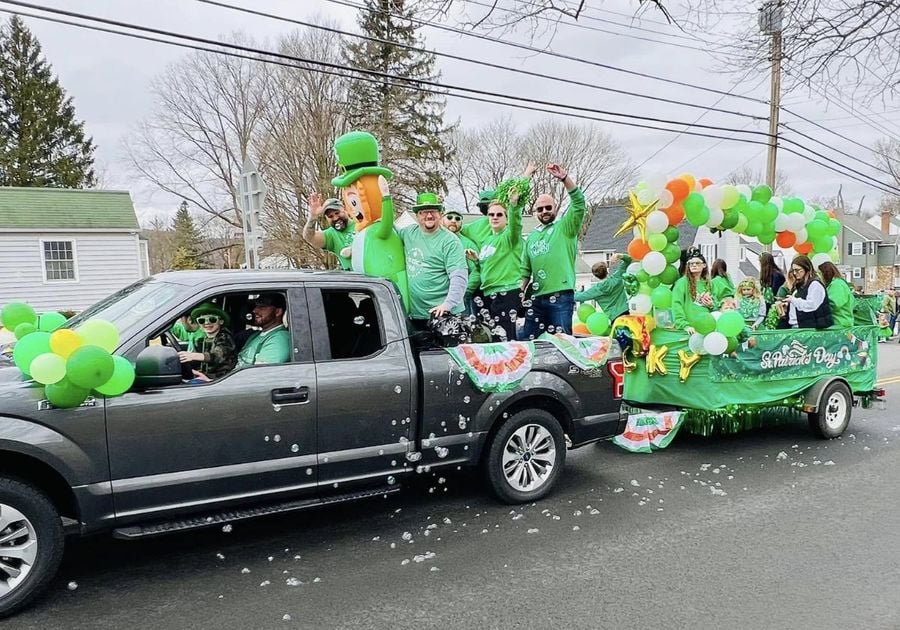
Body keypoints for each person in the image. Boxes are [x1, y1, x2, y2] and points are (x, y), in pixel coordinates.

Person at [520, 163, 586, 338]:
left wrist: (564, 178)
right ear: (536, 212)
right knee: (527, 341)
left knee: (563, 342)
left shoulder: (566, 227)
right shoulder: (531, 237)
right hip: (536, 299)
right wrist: (520, 292)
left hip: (561, 297)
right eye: (540, 209)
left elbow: (579, 203)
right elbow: (525, 271)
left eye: (548, 207)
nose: (544, 211)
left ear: (555, 208)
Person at [398, 192, 468, 330]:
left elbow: (459, 277)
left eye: (433, 211)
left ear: (440, 214)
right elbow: (386, 233)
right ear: (417, 215)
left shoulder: (450, 241)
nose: (429, 216)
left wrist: (447, 304)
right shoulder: (408, 233)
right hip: (417, 315)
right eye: (424, 212)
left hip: (445, 315)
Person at [478, 186, 527, 341]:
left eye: (500, 214)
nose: (495, 217)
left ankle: (510, 365)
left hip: (506, 293)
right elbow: (490, 266)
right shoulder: (487, 240)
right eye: (491, 214)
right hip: (488, 294)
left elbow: (516, 224)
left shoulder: (509, 237)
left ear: (506, 218)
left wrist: (513, 205)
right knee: (492, 337)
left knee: (505, 338)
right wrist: (475, 259)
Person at [178, 303, 236, 382]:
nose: (207, 323)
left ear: (221, 321)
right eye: (202, 320)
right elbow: (195, 361)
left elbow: (218, 356)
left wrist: (193, 355)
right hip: (206, 376)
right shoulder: (201, 341)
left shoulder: (225, 337)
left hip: (222, 379)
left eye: (212, 319)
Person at [236, 293, 292, 367]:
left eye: (262, 307)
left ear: (277, 312)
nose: (254, 310)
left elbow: (260, 375)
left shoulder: (279, 340)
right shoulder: (255, 335)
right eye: (256, 306)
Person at [779, 255, 833, 329]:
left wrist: (793, 300)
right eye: (793, 270)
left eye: (797, 270)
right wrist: (788, 306)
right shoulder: (801, 286)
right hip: (799, 326)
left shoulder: (815, 285)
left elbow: (812, 305)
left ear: (807, 269)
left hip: (811, 328)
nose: (794, 273)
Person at [574, 253, 632, 322]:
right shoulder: (617, 278)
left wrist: (576, 290)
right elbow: (628, 260)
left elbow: (577, 297)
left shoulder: (596, 290)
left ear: (595, 275)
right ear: (607, 270)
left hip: (614, 318)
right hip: (626, 313)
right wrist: (619, 256)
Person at [443, 208, 480, 314]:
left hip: (460, 301)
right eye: (449, 217)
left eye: (457, 218)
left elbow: (477, 271)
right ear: (442, 219)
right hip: (438, 297)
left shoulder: (468, 244)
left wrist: (465, 291)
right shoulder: (435, 240)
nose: (454, 220)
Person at [303, 194, 354, 270]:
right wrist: (313, 217)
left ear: (345, 209)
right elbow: (309, 237)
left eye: (337, 213)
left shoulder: (361, 224)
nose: (336, 218)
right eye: (330, 216)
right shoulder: (331, 235)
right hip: (355, 280)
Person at [671, 247, 715, 334]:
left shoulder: (709, 284)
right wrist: (684, 325)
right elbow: (676, 304)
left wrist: (712, 305)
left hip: (706, 327)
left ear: (704, 265)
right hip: (690, 328)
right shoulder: (682, 283)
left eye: (697, 263)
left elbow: (718, 303)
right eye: (691, 264)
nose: (694, 265)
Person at [818, 261, 855, 328]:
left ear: (825, 274)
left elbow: (833, 304)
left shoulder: (836, 285)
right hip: (842, 323)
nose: (819, 277)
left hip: (839, 324)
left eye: (819, 274)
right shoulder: (839, 284)